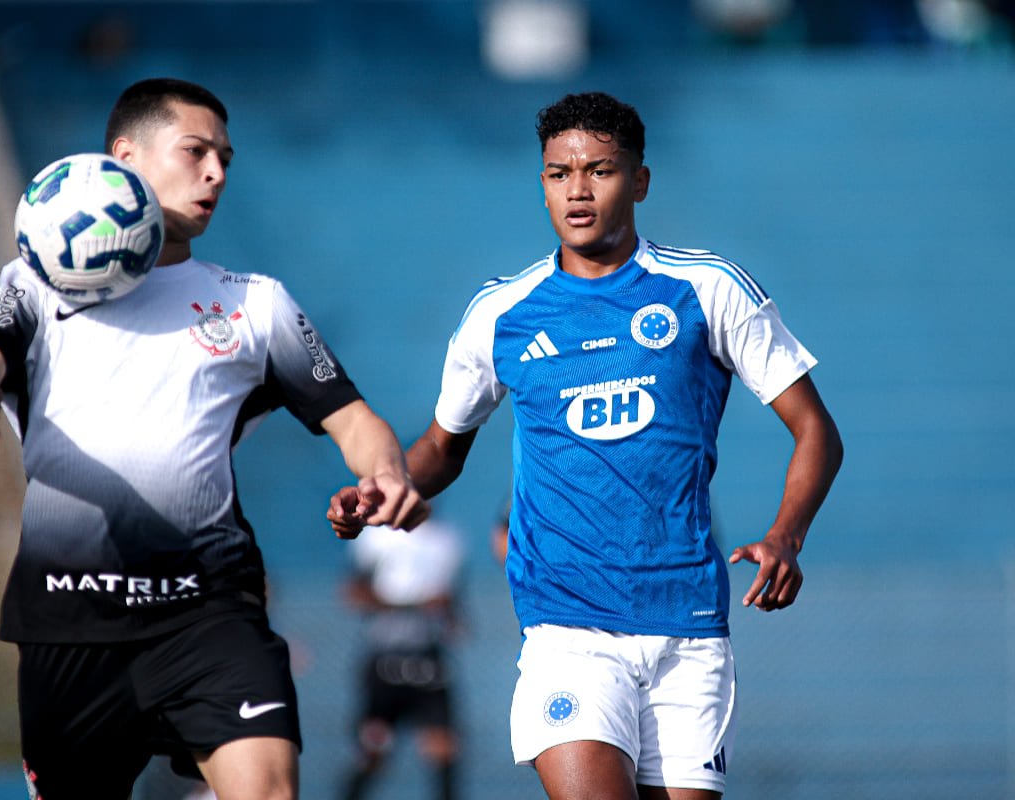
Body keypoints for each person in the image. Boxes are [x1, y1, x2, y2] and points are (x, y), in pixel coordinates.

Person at [329, 91, 843, 800]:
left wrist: (786, 537)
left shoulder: (706, 288)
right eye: (558, 173)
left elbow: (816, 430)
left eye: (600, 170)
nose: (577, 189)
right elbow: (442, 450)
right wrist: (386, 487)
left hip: (689, 626)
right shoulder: (502, 313)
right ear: (542, 182)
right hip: (566, 627)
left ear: (640, 180)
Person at [0, 77, 427, 800]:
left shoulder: (253, 303)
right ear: (124, 157)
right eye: (196, 151)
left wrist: (386, 472)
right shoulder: (37, 281)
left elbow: (352, 418)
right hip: (70, 621)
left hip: (209, 610)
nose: (217, 172)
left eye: (226, 158)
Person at [339, 518, 465, 800]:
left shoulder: (447, 540)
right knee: (373, 751)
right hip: (385, 657)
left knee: (444, 750)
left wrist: (451, 617)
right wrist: (410, 605)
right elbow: (354, 593)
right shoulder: (375, 538)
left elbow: (453, 604)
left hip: (427, 657)